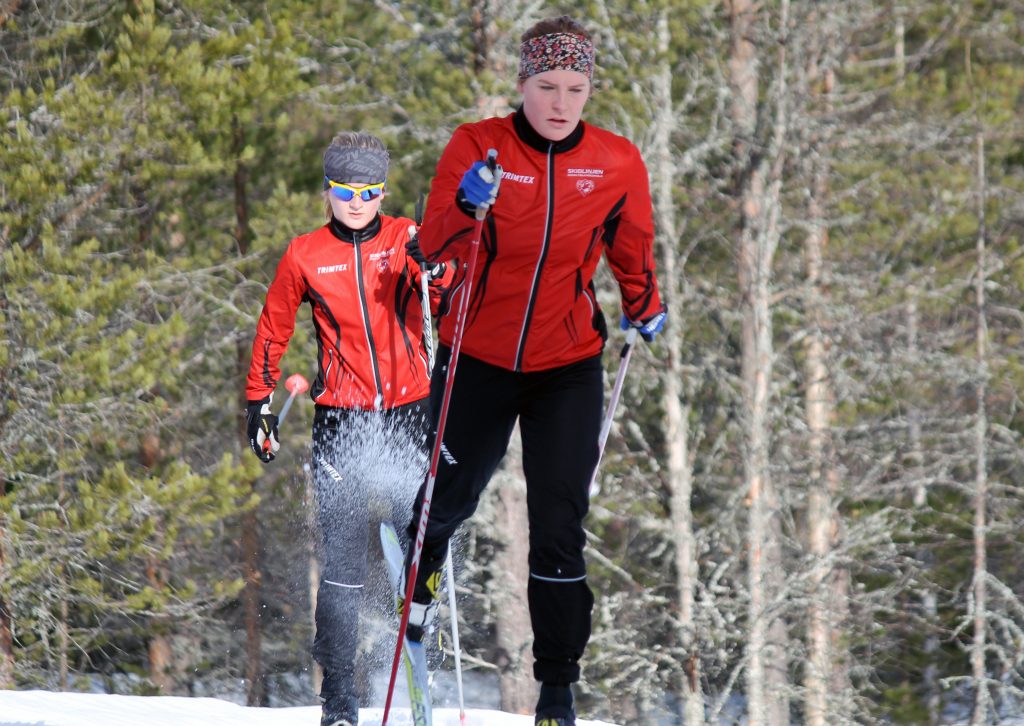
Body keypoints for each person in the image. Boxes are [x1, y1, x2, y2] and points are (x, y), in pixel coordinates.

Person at [402, 16, 666, 726]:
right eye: (546, 85)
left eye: (574, 87)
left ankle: (557, 686)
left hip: (566, 365)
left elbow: (632, 250)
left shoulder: (616, 163)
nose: (559, 102)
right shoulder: (477, 145)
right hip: (477, 356)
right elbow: (429, 247)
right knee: (446, 497)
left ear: (589, 89)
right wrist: (466, 203)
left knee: (559, 522)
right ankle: (417, 577)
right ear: (521, 84)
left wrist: (646, 306)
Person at [244, 131, 450, 726]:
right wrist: (260, 402)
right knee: (342, 571)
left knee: (422, 550)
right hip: (343, 422)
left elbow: (447, 283)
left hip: (411, 413)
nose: (357, 201)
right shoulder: (305, 254)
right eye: (345, 190)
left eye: (369, 190)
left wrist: (436, 271)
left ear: (382, 191)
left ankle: (420, 651)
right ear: (327, 190)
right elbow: (273, 327)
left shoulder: (406, 237)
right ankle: (339, 703)